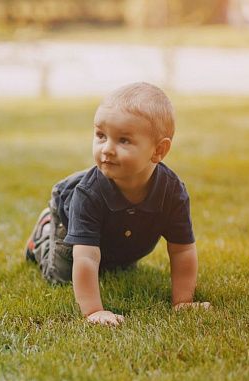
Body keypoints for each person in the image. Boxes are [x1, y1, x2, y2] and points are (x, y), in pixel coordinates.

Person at [25, 82, 210, 327]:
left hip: (118, 229)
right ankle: (45, 230)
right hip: (68, 212)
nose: (107, 149)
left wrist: (182, 302)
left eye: (124, 140)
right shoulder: (88, 194)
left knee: (117, 263)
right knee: (62, 275)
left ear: (159, 150)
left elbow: (182, 250)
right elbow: (87, 258)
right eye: (101, 136)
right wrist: (94, 311)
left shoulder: (171, 191)